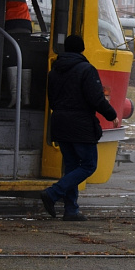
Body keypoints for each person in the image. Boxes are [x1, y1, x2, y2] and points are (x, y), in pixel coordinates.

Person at [40, 35, 118, 221]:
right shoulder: (86, 70)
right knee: (89, 165)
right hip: (80, 125)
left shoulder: (54, 71)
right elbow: (96, 98)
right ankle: (52, 193)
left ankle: (71, 210)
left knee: (72, 167)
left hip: (60, 122)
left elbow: (52, 99)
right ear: (82, 49)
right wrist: (111, 114)